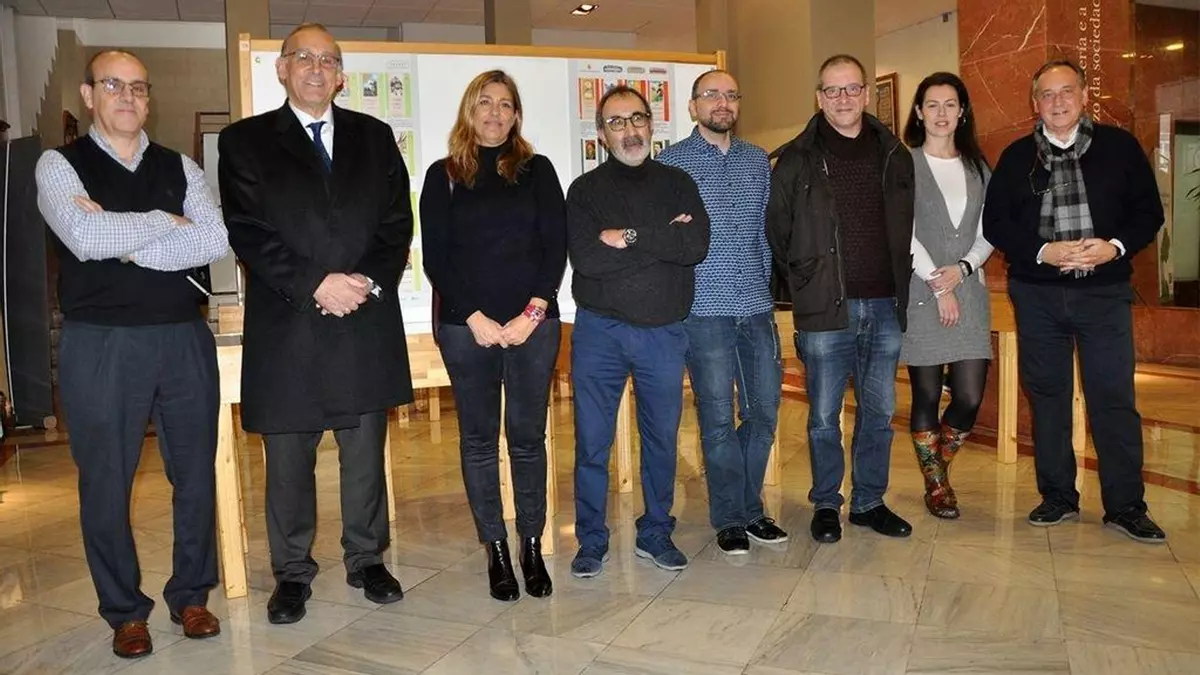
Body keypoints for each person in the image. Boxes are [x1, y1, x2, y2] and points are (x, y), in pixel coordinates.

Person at [218, 23, 415, 625]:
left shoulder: (375, 137)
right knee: (287, 461)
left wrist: (366, 282)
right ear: (281, 69)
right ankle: (292, 573)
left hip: (363, 319)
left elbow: (396, 223)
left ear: (341, 76)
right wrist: (316, 284)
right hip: (290, 326)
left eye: (328, 60)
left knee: (365, 455)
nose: (315, 68)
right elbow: (249, 231)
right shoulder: (245, 141)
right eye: (303, 57)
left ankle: (367, 559)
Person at [35, 49, 229, 658]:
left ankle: (192, 596)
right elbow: (84, 237)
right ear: (89, 95)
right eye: (113, 85)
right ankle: (124, 612)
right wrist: (165, 221)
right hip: (101, 342)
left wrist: (121, 238)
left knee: (195, 474)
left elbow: (214, 240)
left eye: (139, 88)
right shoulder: (59, 164)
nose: (127, 97)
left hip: (183, 337)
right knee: (106, 481)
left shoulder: (180, 165)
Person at [983, 59, 1166, 543]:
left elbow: (1149, 212)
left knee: (1113, 397)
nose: (1058, 101)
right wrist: (1042, 251)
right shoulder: (1017, 157)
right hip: (1037, 296)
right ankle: (1058, 495)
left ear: (1084, 96)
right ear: (1034, 104)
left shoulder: (1119, 148)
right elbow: (995, 223)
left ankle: (1126, 506)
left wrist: (1115, 247)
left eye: (1066, 91)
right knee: (1048, 397)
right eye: (1047, 94)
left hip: (1104, 294)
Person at [420, 70, 566, 601]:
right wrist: (474, 317)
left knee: (528, 439)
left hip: (534, 326)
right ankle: (496, 551)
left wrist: (533, 312)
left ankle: (532, 546)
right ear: (469, 109)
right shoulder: (443, 175)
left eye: (506, 104)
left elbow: (555, 245)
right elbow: (437, 257)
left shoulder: (537, 170)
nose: (495, 112)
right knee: (479, 441)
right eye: (485, 102)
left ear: (516, 115)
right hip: (467, 329)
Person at [767, 54, 915, 544]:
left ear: (866, 93)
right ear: (819, 98)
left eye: (852, 88)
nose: (843, 98)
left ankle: (869, 502)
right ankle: (827, 503)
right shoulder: (796, 159)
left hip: (885, 304)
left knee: (879, 412)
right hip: (826, 308)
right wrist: (807, 284)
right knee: (823, 416)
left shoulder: (894, 154)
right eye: (832, 90)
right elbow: (778, 233)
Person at [566, 85, 710, 577]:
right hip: (599, 333)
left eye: (637, 119)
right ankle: (590, 540)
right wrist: (662, 239)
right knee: (592, 443)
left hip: (663, 334)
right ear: (601, 134)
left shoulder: (678, 182)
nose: (629, 130)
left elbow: (695, 246)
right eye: (616, 122)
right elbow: (587, 259)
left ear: (651, 124)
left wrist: (626, 237)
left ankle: (656, 532)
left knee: (661, 440)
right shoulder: (584, 191)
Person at [656, 70, 787, 554]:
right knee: (716, 418)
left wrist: (768, 291)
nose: (722, 102)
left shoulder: (757, 161)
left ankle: (749, 508)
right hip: (704, 309)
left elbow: (766, 235)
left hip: (755, 306)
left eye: (731, 94)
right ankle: (731, 517)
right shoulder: (671, 164)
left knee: (764, 412)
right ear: (693, 106)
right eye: (711, 94)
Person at [899, 72, 994, 520]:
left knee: (969, 396)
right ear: (919, 112)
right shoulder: (904, 164)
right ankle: (937, 486)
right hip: (921, 291)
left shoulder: (978, 168)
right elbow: (903, 231)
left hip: (970, 290)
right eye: (932, 105)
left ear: (962, 112)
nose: (941, 113)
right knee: (926, 395)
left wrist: (963, 269)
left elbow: (989, 230)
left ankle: (936, 468)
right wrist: (939, 283)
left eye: (950, 104)